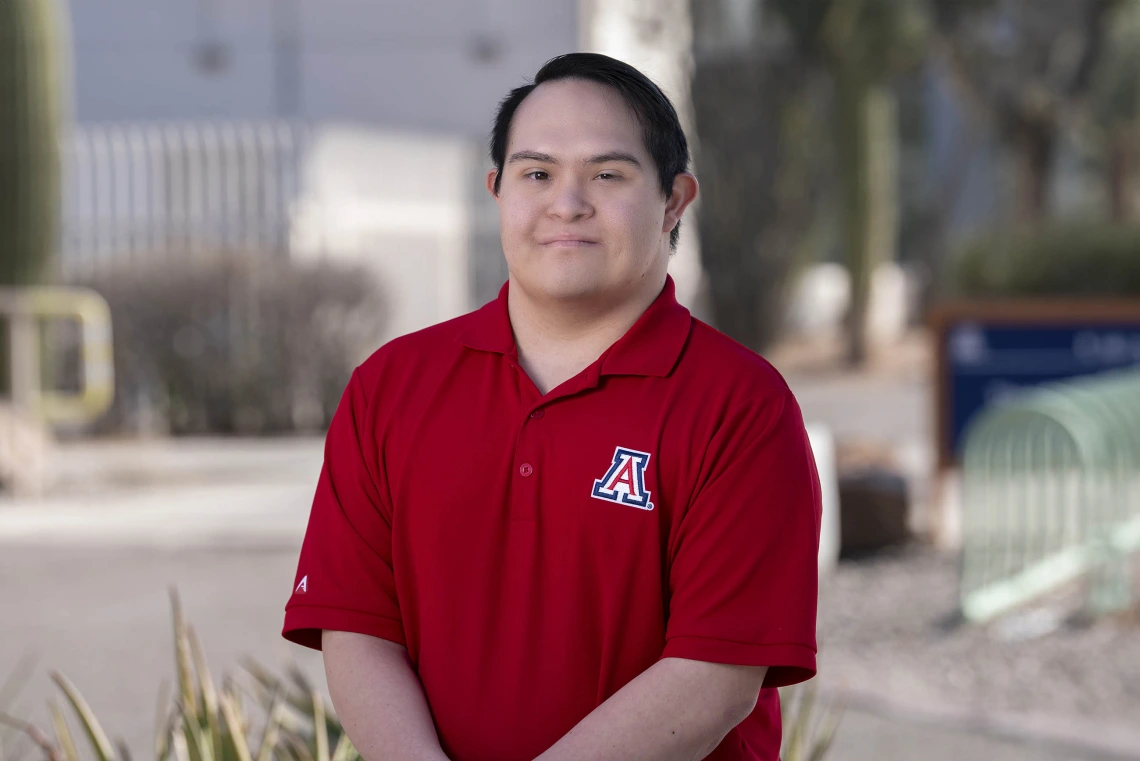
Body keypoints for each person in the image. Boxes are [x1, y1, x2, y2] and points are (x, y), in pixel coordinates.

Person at [283, 52, 822, 761]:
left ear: (674, 200)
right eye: (537, 173)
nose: (567, 203)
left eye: (607, 174)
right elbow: (357, 627)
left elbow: (713, 677)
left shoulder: (741, 408)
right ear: (497, 191)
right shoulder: (390, 387)